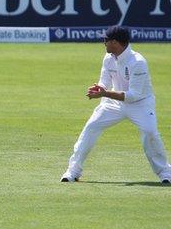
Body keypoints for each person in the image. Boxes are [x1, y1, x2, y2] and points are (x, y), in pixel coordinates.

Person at [61, 26, 171, 183]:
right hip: (113, 103)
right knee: (91, 127)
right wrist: (100, 88)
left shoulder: (138, 62)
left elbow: (133, 96)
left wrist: (104, 93)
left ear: (115, 42)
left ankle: (165, 173)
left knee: (150, 131)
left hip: (140, 104)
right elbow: (104, 81)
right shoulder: (108, 57)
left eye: (105, 40)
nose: (103, 43)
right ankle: (72, 171)